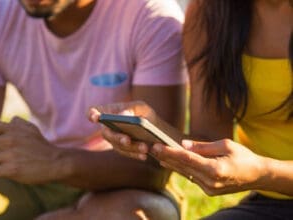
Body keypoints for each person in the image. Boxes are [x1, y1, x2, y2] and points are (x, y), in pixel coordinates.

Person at [0, 0, 187, 219]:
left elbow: (155, 169)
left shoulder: (150, 15)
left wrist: (55, 161)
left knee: (132, 213)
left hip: (116, 182)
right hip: (30, 178)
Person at [89, 0, 293, 219]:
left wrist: (264, 172)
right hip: (270, 203)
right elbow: (209, 141)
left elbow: (260, 171)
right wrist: (151, 130)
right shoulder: (211, 12)